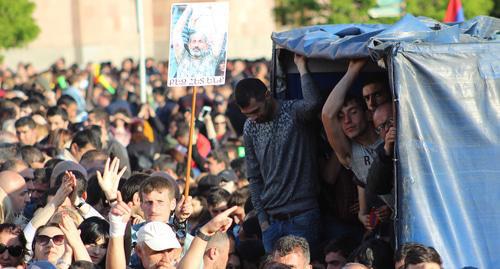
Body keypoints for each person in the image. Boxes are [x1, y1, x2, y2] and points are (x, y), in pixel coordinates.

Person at [236, 55, 322, 254]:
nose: (253, 117)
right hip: (272, 222)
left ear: (267, 95)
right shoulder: (250, 127)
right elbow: (254, 177)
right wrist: (263, 221)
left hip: (303, 216)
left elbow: (313, 103)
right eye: (247, 114)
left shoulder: (293, 113)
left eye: (256, 110)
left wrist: (302, 67)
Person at [321, 59, 383, 231]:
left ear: (368, 114)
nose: (347, 121)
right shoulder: (348, 152)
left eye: (353, 112)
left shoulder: (389, 137)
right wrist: (352, 70)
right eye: (341, 116)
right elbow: (327, 115)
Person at [172, 6, 224, 79]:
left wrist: (212, 11)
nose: (196, 45)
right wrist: (188, 9)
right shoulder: (182, 57)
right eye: (194, 41)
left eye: (200, 41)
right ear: (189, 45)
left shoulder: (211, 58)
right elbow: (176, 33)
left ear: (206, 45)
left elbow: (219, 35)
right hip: (186, 90)